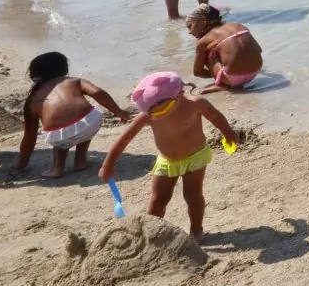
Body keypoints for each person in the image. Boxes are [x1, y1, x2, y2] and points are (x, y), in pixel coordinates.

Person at [101, 72, 237, 241]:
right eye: (154, 110)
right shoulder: (148, 115)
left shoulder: (195, 104)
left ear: (179, 94)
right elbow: (124, 139)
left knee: (192, 195)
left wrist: (228, 133)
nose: (160, 114)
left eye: (164, 108)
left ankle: (196, 229)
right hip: (166, 161)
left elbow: (215, 116)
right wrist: (107, 165)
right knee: (158, 199)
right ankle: (151, 232)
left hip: (195, 156)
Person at [15, 51, 133, 178]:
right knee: (83, 125)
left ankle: (57, 168)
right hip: (90, 123)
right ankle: (80, 161)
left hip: (59, 134)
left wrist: (22, 162)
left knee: (61, 138)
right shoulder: (74, 81)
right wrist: (118, 112)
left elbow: (30, 136)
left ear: (34, 76)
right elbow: (97, 92)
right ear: (64, 70)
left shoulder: (32, 100)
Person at [187, 5, 263, 92]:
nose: (190, 32)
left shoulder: (204, 40)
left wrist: (217, 75)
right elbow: (259, 50)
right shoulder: (239, 25)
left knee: (208, 51)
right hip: (256, 70)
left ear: (203, 20)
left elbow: (197, 72)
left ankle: (224, 83)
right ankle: (231, 77)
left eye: (190, 26)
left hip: (232, 78)